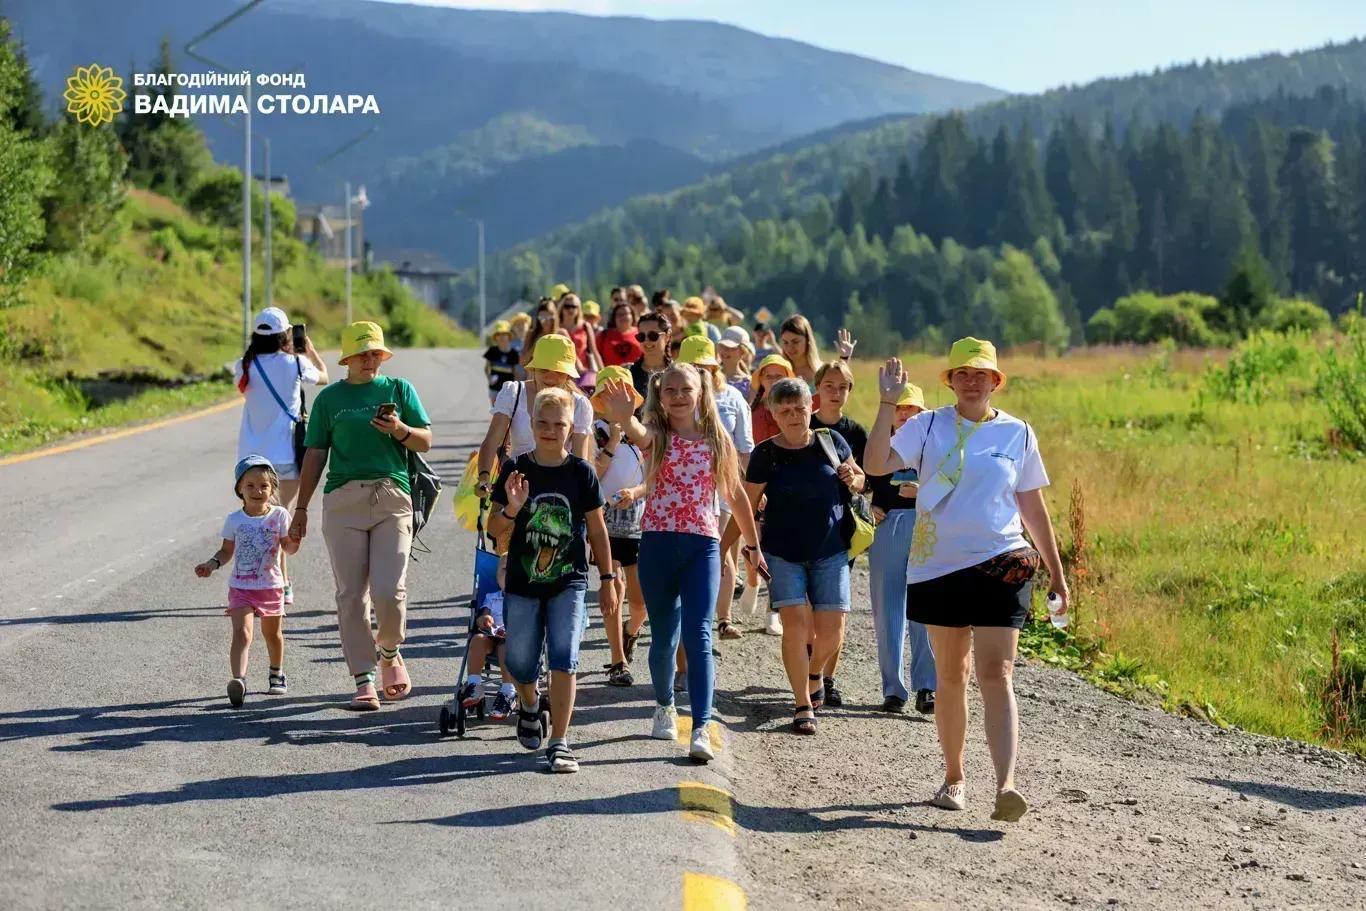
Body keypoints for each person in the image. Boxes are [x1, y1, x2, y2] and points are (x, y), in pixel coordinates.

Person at [863, 337, 1069, 823]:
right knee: (952, 675)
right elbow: (875, 466)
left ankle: (1007, 786)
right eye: (963, 373)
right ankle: (954, 778)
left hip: (1001, 563)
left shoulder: (1018, 434)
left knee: (998, 673)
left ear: (996, 382)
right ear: (951, 381)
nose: (972, 381)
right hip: (938, 567)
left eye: (982, 374)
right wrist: (887, 402)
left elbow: (1032, 506)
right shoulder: (927, 425)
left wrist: (1056, 571)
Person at [597, 364, 765, 763]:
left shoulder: (716, 439)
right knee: (664, 637)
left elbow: (736, 495)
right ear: (660, 393)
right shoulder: (657, 432)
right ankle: (664, 704)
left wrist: (753, 546)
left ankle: (702, 726)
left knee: (699, 636)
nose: (677, 395)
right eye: (669, 389)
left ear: (700, 392)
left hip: (702, 547)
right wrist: (625, 418)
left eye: (685, 388)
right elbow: (640, 435)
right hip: (657, 543)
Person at [289, 321, 433, 711]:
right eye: (363, 353)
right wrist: (300, 508)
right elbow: (315, 453)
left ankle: (388, 652)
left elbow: (426, 440)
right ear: (347, 359)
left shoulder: (399, 390)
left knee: (389, 591)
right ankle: (363, 679)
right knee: (351, 596)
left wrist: (399, 429)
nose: (370, 360)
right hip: (343, 501)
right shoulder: (329, 400)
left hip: (392, 496)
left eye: (375, 353)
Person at [488, 387, 618, 773]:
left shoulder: (581, 472)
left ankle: (560, 741)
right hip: (523, 582)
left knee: (565, 657)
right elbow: (494, 529)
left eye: (558, 424)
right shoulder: (515, 468)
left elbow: (597, 531)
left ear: (570, 427)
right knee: (520, 661)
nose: (549, 430)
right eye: (541, 422)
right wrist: (512, 508)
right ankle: (530, 703)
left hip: (570, 580)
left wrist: (608, 578)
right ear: (532, 423)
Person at [737, 378, 862, 735]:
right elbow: (746, 502)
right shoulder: (766, 454)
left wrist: (853, 478)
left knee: (834, 628)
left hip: (831, 550)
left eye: (800, 408)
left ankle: (814, 673)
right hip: (782, 553)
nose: (793, 415)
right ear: (774, 414)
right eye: (785, 410)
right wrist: (747, 547)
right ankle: (802, 704)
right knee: (794, 626)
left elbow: (860, 479)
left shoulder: (831, 441)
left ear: (812, 407)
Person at [233, 307, 328, 605]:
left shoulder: (243, 366)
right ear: (285, 335)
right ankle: (280, 584)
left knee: (261, 519)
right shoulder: (296, 363)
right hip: (286, 456)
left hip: (250, 460)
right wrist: (309, 350)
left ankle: (268, 581)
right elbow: (323, 377)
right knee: (278, 519)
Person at [195, 455, 299, 706]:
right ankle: (238, 681)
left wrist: (295, 538)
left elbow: (288, 549)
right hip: (241, 588)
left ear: (272, 489)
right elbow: (226, 551)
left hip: (271, 587)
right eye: (250, 485)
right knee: (242, 633)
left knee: (272, 635)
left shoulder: (280, 516)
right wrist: (212, 564)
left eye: (263, 485)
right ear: (239, 489)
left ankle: (276, 672)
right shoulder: (234, 520)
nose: (257, 491)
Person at [676, 336, 753, 640]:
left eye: (704, 366)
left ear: (715, 365)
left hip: (722, 485)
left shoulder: (732, 397)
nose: (700, 372)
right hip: (682, 488)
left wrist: (750, 488)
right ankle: (691, 614)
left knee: (719, 550)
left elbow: (745, 448)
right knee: (691, 554)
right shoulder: (674, 399)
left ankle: (722, 619)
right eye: (693, 367)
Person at [866, 384, 936, 714]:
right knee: (888, 609)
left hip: (926, 527)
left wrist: (921, 493)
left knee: (925, 609)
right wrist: (865, 504)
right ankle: (893, 689)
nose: (907, 414)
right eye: (901, 409)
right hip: (888, 526)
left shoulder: (934, 446)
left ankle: (928, 687)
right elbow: (857, 480)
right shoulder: (881, 444)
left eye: (914, 409)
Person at [807, 356, 868, 708]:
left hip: (844, 528)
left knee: (837, 609)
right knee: (811, 608)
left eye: (842, 387)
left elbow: (867, 481)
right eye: (829, 386)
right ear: (817, 388)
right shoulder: (805, 424)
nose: (835, 392)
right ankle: (809, 670)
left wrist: (855, 477)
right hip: (806, 527)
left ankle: (828, 678)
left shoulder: (856, 432)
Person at [476, 335, 594, 498]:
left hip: (558, 490)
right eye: (544, 369)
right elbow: (492, 440)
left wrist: (584, 498)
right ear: (533, 369)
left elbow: (581, 459)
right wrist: (484, 477)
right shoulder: (513, 392)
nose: (551, 377)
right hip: (515, 486)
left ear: (568, 374)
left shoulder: (580, 404)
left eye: (559, 372)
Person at [590, 365, 648, 684]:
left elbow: (652, 478)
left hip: (638, 522)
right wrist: (612, 442)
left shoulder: (640, 433)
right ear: (600, 400)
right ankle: (617, 661)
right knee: (613, 589)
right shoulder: (593, 432)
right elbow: (592, 475)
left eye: (624, 393)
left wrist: (635, 492)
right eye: (610, 394)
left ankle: (630, 632)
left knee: (639, 604)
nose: (617, 400)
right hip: (604, 522)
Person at [458, 578, 517, 721]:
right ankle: (474, 685)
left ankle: (508, 691)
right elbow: (483, 615)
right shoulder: (492, 597)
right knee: (477, 639)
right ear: (497, 576)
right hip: (491, 635)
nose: (508, 573)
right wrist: (484, 619)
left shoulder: (527, 597)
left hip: (514, 640)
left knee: (507, 645)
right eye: (503, 569)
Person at [558, 294, 602, 392]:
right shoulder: (557, 328)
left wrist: (604, 373)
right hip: (564, 373)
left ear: (579, 309)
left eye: (574, 306)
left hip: (583, 374)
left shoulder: (585, 326)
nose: (570, 309)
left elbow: (595, 351)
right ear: (561, 308)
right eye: (567, 306)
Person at [748, 353, 795, 445]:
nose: (774, 381)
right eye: (768, 376)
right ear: (761, 380)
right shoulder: (752, 411)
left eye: (779, 376)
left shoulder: (796, 410)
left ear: (788, 378)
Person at [629, 311, 672, 399]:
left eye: (653, 335)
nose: (646, 341)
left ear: (667, 336)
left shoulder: (677, 373)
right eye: (641, 336)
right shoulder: (629, 373)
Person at [779, 315, 822, 389]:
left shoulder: (823, 371)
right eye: (785, 342)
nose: (790, 347)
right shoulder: (779, 373)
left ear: (808, 340)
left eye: (795, 341)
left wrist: (844, 359)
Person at [483, 320, 520, 405]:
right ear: (495, 337)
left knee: (508, 411)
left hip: (508, 388)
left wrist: (517, 387)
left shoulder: (513, 353)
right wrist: (489, 379)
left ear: (508, 337)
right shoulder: (492, 351)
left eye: (504, 334)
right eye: (499, 334)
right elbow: (486, 368)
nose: (502, 337)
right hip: (494, 387)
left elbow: (515, 372)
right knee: (495, 410)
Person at [599, 302, 644, 367]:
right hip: (610, 375)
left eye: (626, 314)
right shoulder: (604, 335)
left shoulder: (641, 332)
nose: (623, 317)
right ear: (614, 317)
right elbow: (596, 355)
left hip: (636, 375)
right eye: (619, 314)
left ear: (632, 316)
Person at [521, 298, 561, 369]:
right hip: (534, 376)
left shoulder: (561, 334)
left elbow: (569, 361)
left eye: (548, 317)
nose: (545, 321)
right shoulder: (531, 334)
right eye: (542, 317)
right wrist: (536, 346)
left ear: (554, 317)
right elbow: (522, 362)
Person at [718, 326, 754, 401]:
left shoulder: (750, 383)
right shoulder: (711, 376)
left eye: (731, 347)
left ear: (742, 352)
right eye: (722, 345)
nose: (725, 350)